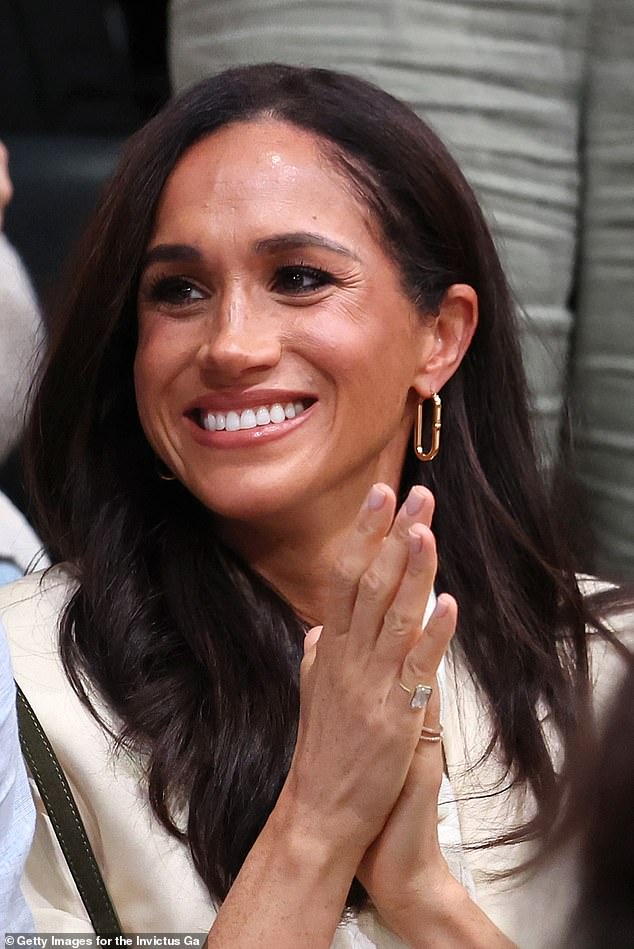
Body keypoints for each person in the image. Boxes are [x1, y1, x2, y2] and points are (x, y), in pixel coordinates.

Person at [1, 63, 631, 947]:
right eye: (178, 290)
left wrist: (423, 897)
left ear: (440, 336)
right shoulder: (22, 681)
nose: (230, 345)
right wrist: (316, 823)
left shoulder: (610, 674)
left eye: (298, 277)